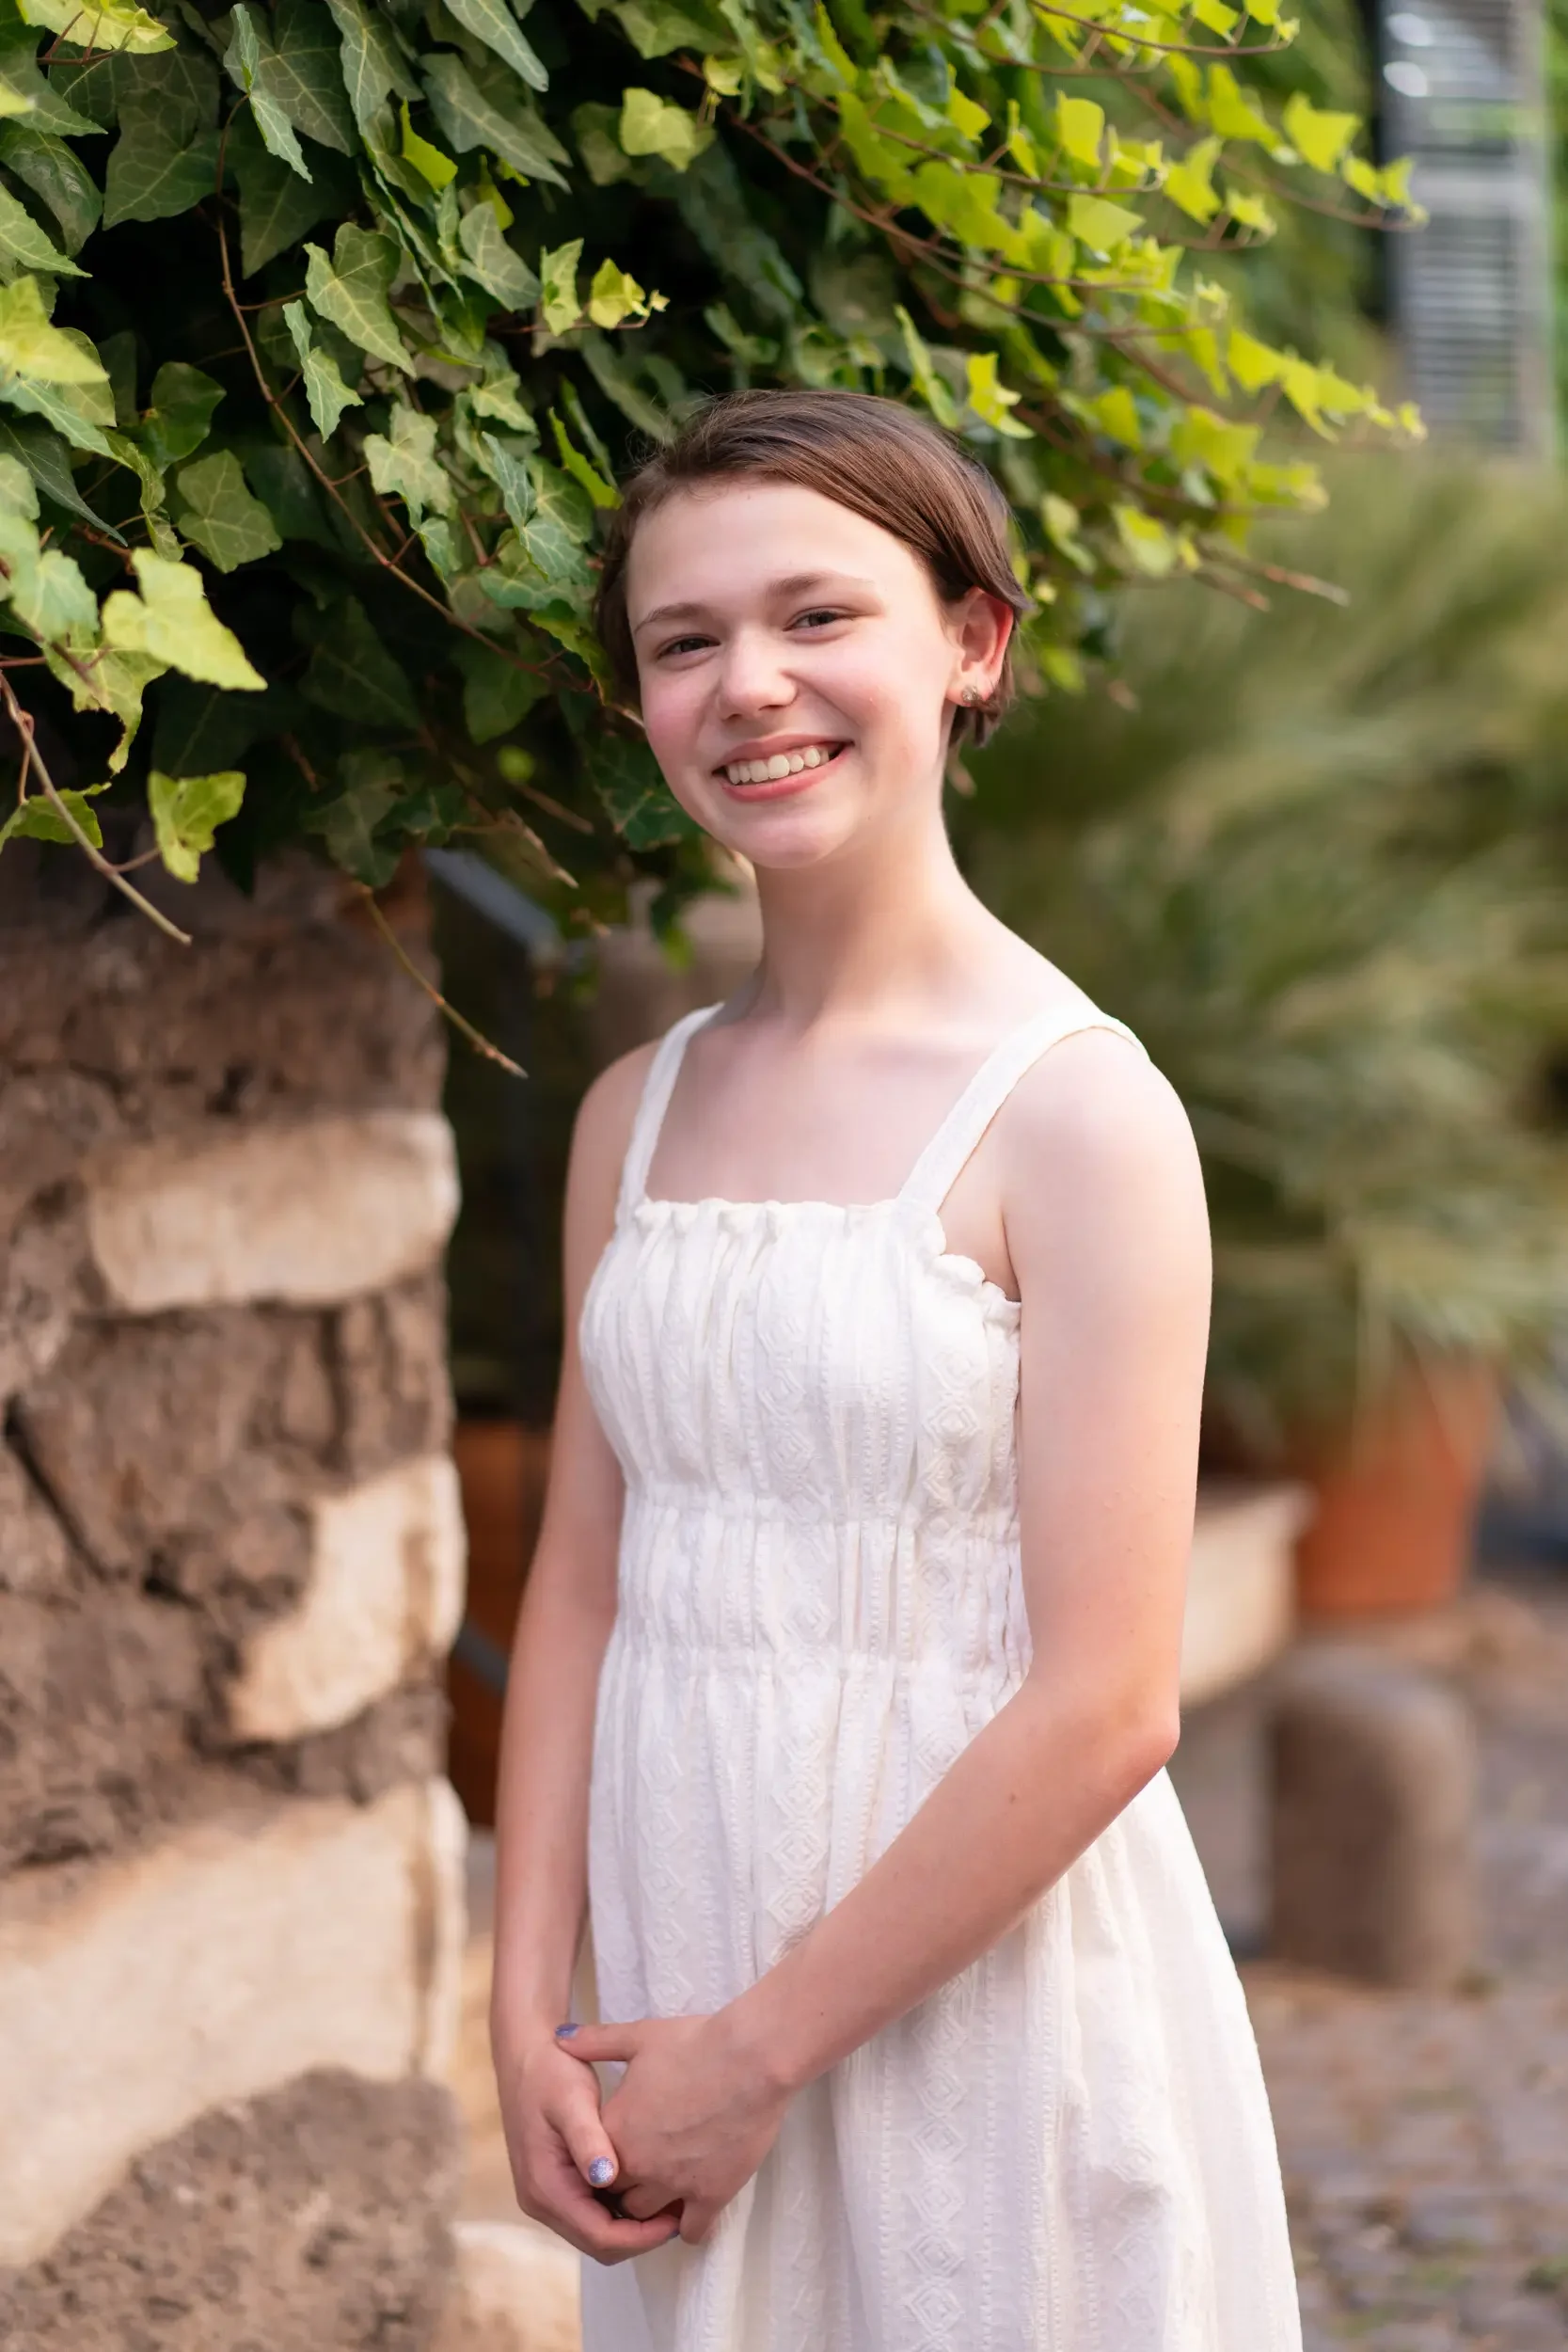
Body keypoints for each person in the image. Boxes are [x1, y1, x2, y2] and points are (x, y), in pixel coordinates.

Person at [488, 388, 1302, 2352]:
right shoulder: (635, 1109)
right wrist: (521, 2003)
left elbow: (1109, 1699)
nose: (747, 684)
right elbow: (584, 1580)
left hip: (977, 2011)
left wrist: (756, 2051)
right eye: (683, 643)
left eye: (814, 615)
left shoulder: (1079, 1117)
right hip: (670, 1972)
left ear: (968, 641)